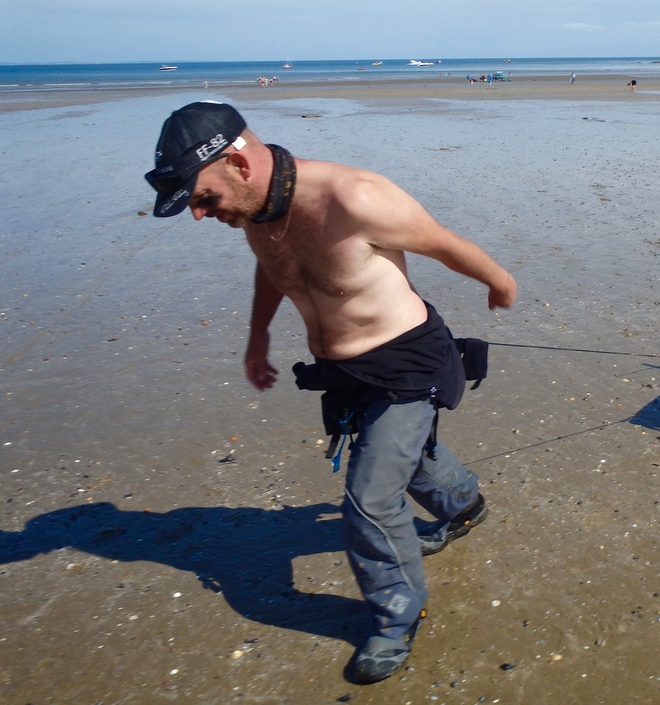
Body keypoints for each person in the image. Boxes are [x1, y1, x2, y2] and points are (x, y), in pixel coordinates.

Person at [143, 101, 517, 683]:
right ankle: (464, 505)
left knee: (370, 497)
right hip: (342, 369)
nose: (198, 213)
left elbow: (442, 243)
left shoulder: (355, 198)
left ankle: (396, 619)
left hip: (406, 362)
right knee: (401, 456)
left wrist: (500, 282)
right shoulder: (259, 212)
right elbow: (277, 270)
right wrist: (257, 337)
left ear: (239, 164)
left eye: (203, 197)